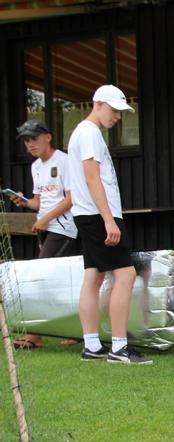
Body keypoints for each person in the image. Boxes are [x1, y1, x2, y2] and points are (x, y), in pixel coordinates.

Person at [66, 84, 151, 365]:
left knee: (94, 276)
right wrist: (108, 219)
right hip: (97, 215)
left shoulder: (83, 132)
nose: (117, 117)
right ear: (99, 104)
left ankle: (92, 345)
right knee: (125, 275)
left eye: (120, 112)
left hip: (88, 213)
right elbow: (92, 178)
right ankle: (119, 348)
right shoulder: (89, 133)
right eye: (114, 110)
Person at [10, 120, 78, 349]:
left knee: (40, 276)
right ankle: (75, 332)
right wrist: (25, 202)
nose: (30, 144)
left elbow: (71, 199)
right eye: (26, 141)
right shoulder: (36, 166)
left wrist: (45, 219)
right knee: (64, 281)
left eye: (34, 139)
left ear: (48, 137)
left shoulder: (65, 161)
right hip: (45, 227)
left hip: (63, 228)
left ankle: (35, 335)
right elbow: (39, 202)